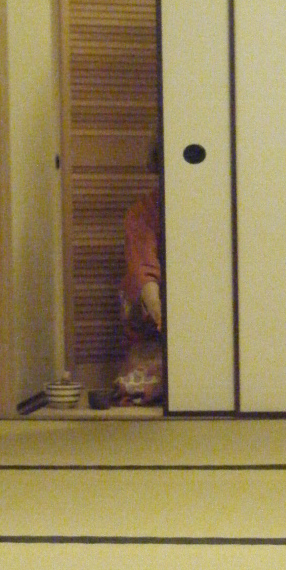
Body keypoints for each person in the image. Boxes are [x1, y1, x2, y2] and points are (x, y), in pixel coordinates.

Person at [113, 137, 163, 405]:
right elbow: (144, 272)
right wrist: (162, 315)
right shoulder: (143, 211)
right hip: (152, 323)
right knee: (140, 381)